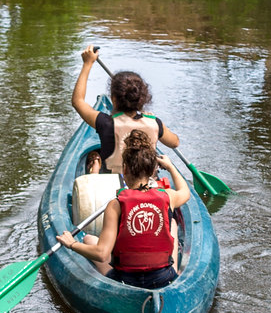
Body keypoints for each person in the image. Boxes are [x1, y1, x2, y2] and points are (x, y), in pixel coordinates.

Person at [59, 124, 190, 288]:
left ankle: (94, 169)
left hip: (125, 281)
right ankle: (174, 273)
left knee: (88, 238)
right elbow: (185, 192)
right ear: (152, 171)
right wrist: (171, 167)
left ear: (125, 169)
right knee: (171, 223)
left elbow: (101, 253)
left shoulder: (115, 204)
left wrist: (72, 244)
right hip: (163, 279)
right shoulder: (168, 196)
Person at [70, 44, 180, 180]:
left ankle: (95, 168)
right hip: (148, 184)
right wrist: (153, 121)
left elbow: (77, 101)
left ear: (114, 99)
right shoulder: (155, 123)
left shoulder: (106, 123)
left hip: (114, 184)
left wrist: (87, 64)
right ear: (143, 98)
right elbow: (175, 142)